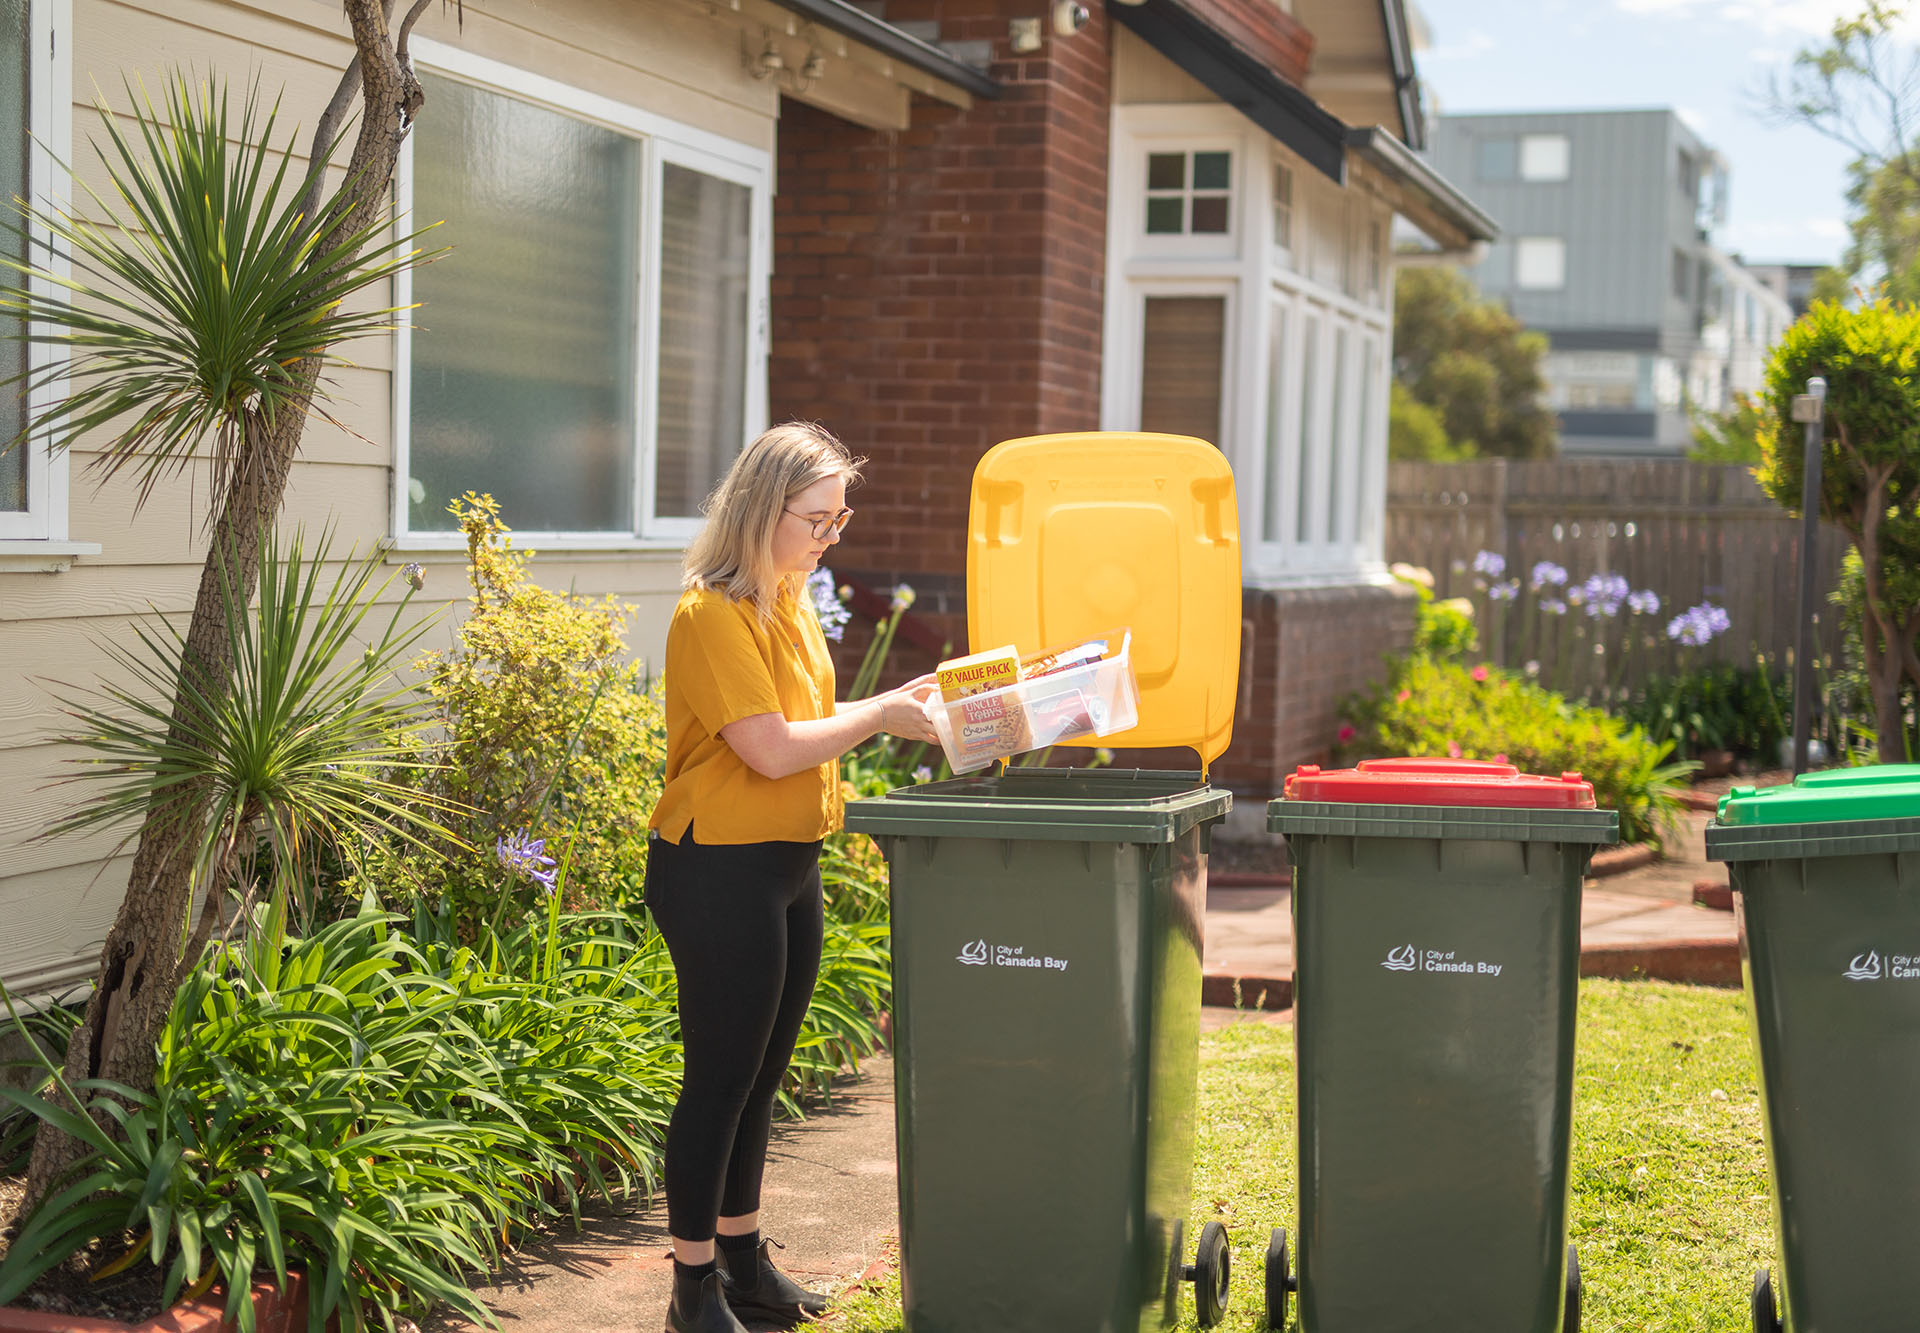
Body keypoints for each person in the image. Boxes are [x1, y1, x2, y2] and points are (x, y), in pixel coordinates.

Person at [646, 421, 938, 1333]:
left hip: (786, 864)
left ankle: (742, 1258)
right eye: (817, 518)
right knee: (719, 1080)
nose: (829, 536)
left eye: (839, 519)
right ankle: (690, 1289)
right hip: (718, 869)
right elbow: (769, 748)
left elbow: (806, 717)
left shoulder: (789, 598)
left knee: (763, 1076)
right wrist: (882, 714)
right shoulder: (710, 614)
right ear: (762, 509)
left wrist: (902, 705)